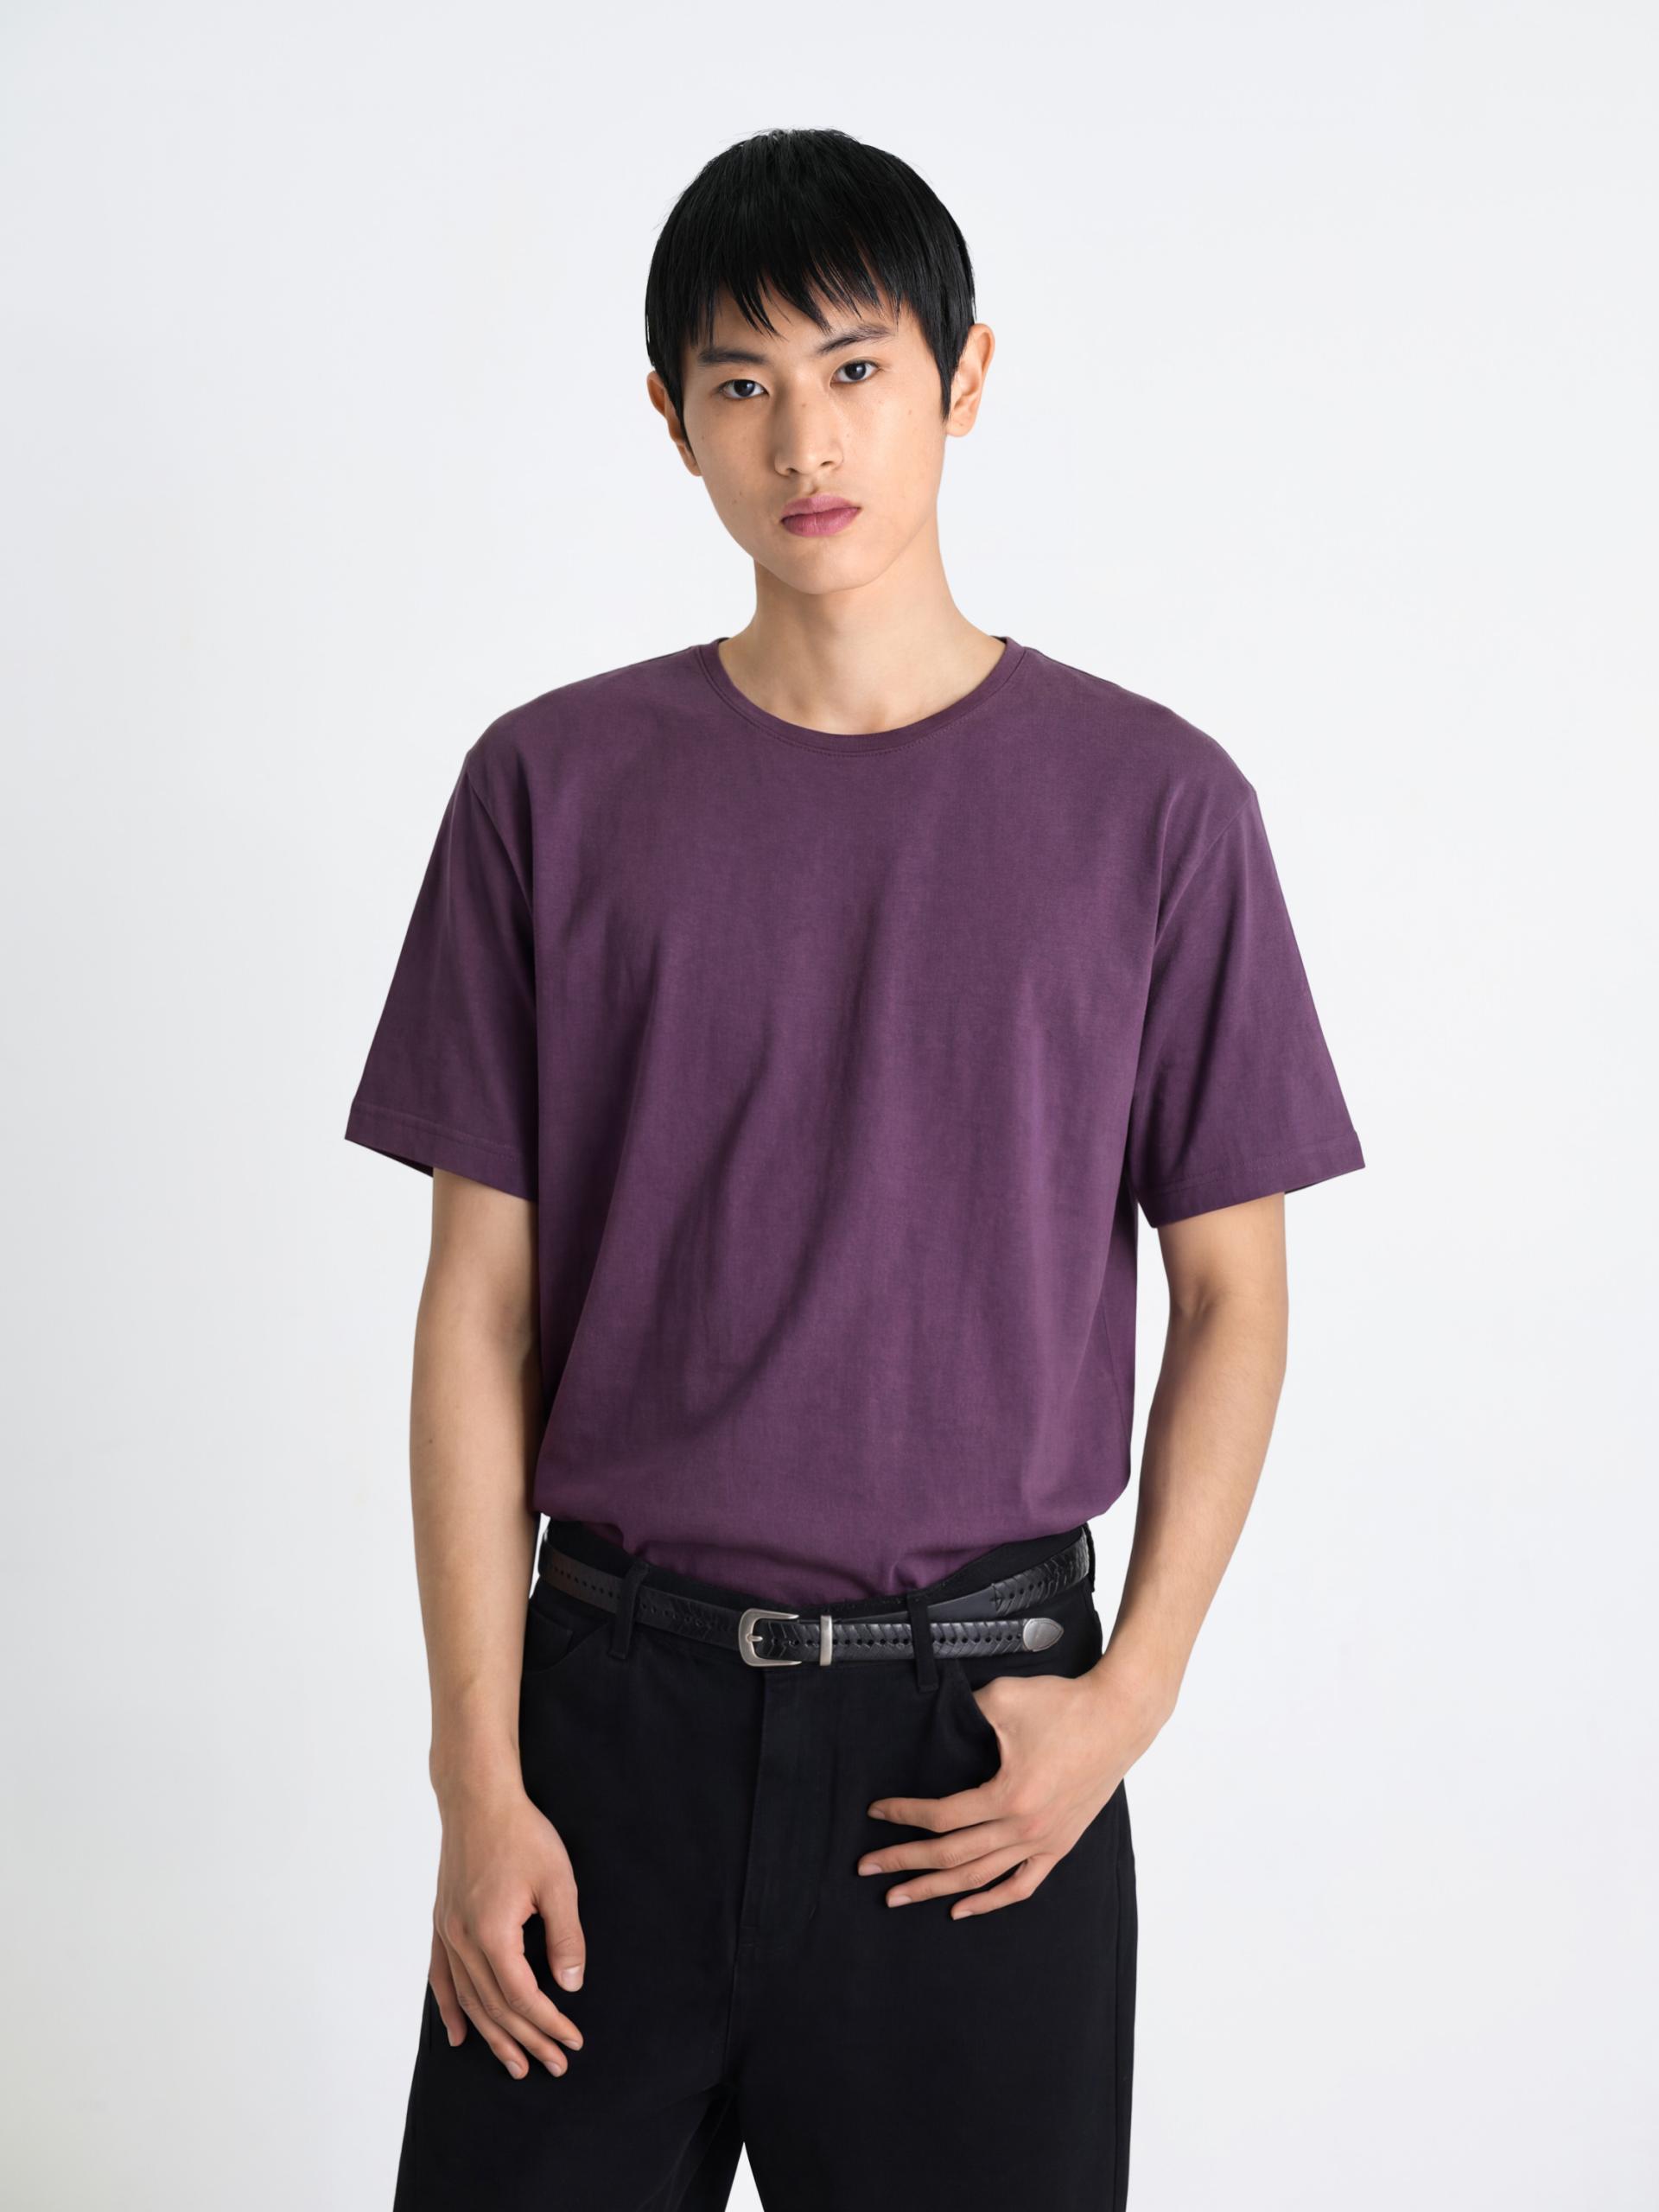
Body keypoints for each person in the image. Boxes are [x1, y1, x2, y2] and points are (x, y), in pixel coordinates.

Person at [344, 125, 1363, 2212]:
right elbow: (478, 1311)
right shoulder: (548, 788)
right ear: (672, 418)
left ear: (963, 377)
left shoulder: (1156, 806)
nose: (803, 438)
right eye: (741, 382)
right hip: (606, 1727)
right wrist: (479, 1774)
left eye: (857, 367)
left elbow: (1235, 1295)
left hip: (975, 1752)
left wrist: (1129, 1696)